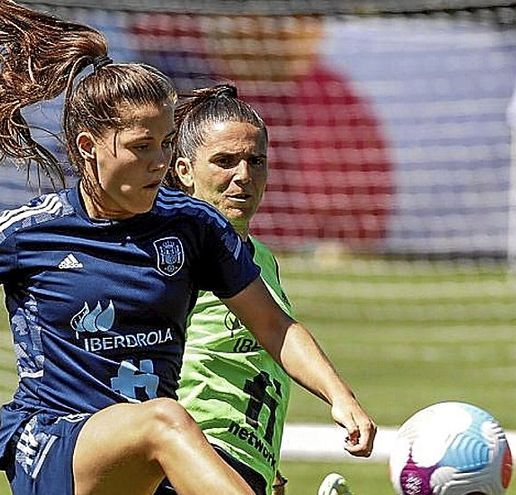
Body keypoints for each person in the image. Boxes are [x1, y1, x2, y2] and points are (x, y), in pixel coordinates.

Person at [0, 2, 375, 494]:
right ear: (90, 146)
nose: (160, 161)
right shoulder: (27, 232)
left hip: (140, 465)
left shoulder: (193, 226)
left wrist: (340, 398)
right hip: (53, 446)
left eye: (167, 143)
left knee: (175, 439)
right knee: (167, 421)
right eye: (143, 146)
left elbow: (274, 326)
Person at [158, 85, 372, 495]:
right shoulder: (172, 248)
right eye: (224, 161)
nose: (243, 176)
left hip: (245, 461)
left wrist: (267, 461)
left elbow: (273, 336)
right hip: (193, 453)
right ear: (184, 170)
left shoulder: (260, 259)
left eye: (256, 161)